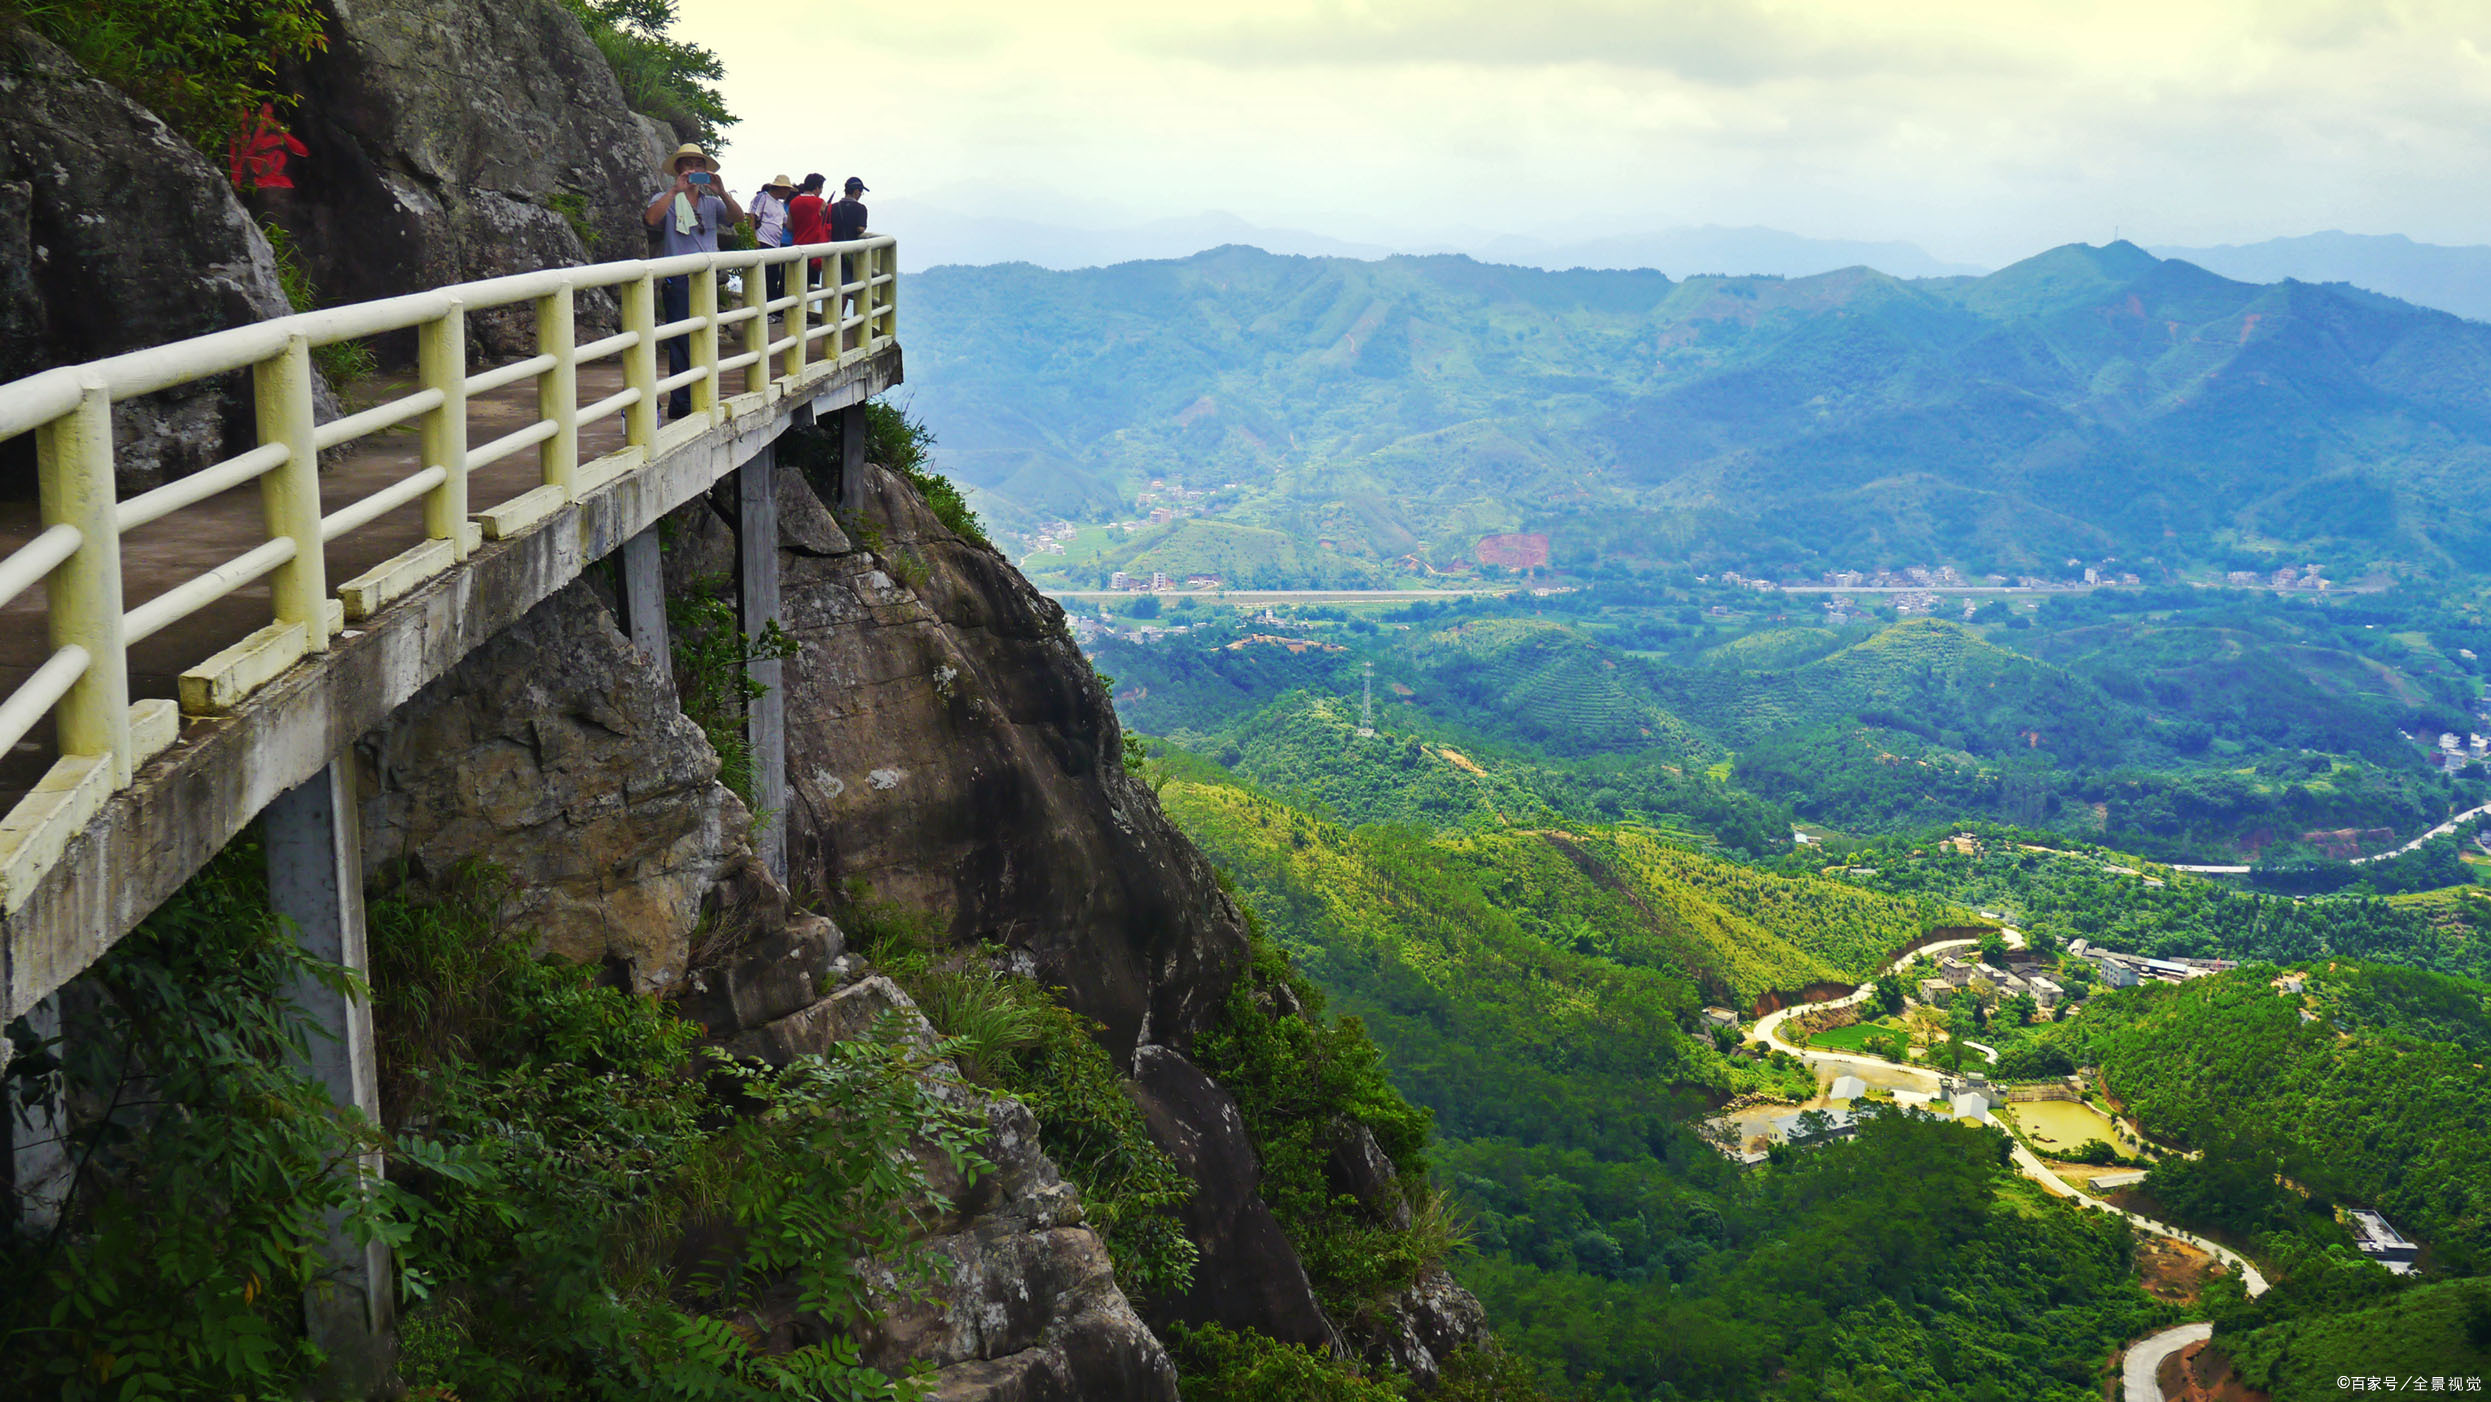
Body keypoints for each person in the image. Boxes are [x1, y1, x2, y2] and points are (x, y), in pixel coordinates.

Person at [642, 143, 743, 422]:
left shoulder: (712, 203)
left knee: (705, 340)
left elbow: (738, 218)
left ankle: (702, 396)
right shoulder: (666, 198)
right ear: (678, 169)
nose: (693, 170)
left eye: (698, 165)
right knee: (682, 342)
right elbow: (651, 219)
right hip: (679, 281)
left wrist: (721, 191)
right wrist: (675, 191)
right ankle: (682, 402)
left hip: (707, 281)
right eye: (687, 165)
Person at [830, 177, 870, 322]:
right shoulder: (860, 209)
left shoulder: (833, 208)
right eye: (860, 192)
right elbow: (860, 228)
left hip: (831, 251)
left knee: (833, 285)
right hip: (851, 252)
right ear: (856, 191)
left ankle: (831, 317)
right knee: (848, 287)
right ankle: (837, 320)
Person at [751, 174, 795, 303]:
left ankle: (769, 309)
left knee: (773, 277)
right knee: (765, 277)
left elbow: (787, 223)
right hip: (763, 241)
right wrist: (753, 238)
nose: (787, 193)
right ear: (780, 188)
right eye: (786, 190)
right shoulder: (762, 198)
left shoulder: (780, 205)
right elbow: (752, 216)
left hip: (775, 244)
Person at [786, 174, 831, 288]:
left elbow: (790, 226)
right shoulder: (820, 203)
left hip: (796, 247)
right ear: (816, 188)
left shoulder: (794, 202)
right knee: (806, 285)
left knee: (796, 283)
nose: (821, 191)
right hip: (813, 250)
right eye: (821, 188)